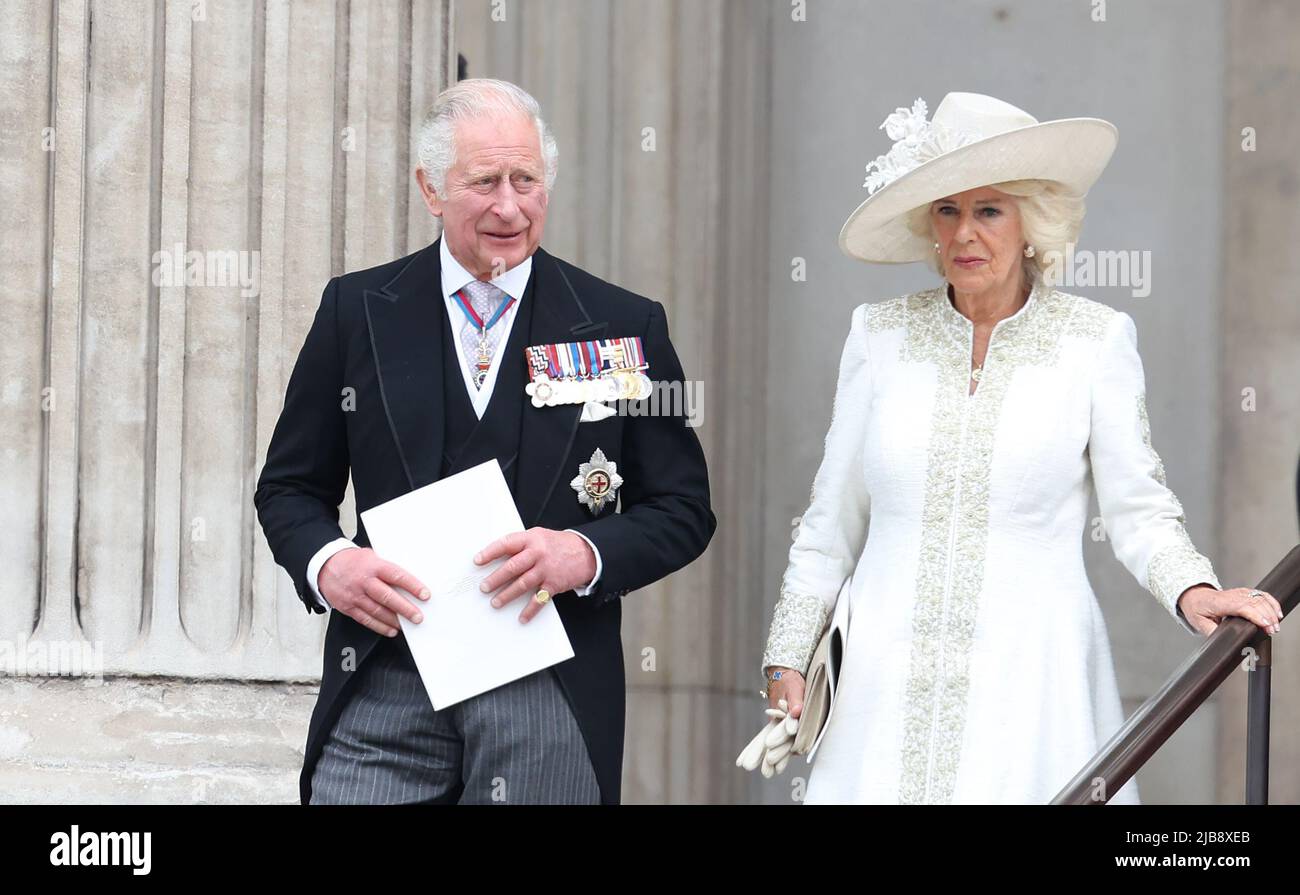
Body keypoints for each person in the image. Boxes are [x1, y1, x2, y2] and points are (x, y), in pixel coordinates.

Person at [748, 92, 1281, 803]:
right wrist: (786, 655)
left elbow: (1139, 509)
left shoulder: (1095, 340)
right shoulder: (877, 334)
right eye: (947, 210)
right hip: (881, 683)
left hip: (1032, 681)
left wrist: (1195, 588)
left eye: (989, 210)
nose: (965, 232)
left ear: (1033, 221)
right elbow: (829, 521)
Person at [255, 78, 714, 804]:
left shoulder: (624, 326)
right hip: (385, 675)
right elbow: (288, 488)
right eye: (484, 181)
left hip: (549, 687)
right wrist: (328, 563)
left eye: (526, 179)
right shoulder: (355, 312)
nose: (509, 205)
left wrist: (585, 553)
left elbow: (684, 509)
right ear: (431, 188)